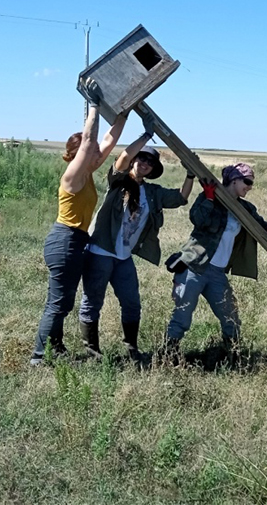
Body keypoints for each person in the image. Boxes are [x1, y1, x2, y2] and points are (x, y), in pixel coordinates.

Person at [77, 119, 195, 362]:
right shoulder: (119, 182)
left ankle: (131, 348)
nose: (145, 163)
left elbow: (181, 198)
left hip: (123, 257)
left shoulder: (151, 193)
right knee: (92, 302)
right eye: (141, 158)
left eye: (150, 162)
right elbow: (121, 159)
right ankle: (91, 351)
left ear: (153, 169)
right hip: (100, 251)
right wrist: (146, 135)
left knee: (132, 303)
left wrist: (191, 173)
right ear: (134, 160)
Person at [31, 78, 127, 366]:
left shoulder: (87, 172)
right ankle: (39, 357)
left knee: (63, 301)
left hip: (76, 241)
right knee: (58, 303)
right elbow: (89, 141)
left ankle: (55, 349)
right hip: (64, 240)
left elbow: (108, 141)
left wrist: (126, 113)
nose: (96, 154)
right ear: (75, 155)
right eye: (88, 151)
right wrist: (94, 105)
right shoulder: (72, 177)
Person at [161, 163, 267, 360]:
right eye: (247, 181)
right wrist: (209, 199)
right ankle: (167, 354)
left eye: (251, 183)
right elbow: (197, 219)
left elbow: (262, 225)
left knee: (230, 316)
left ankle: (232, 355)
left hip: (217, 273)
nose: (250, 186)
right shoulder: (210, 197)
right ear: (234, 180)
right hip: (195, 266)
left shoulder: (245, 209)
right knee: (182, 315)